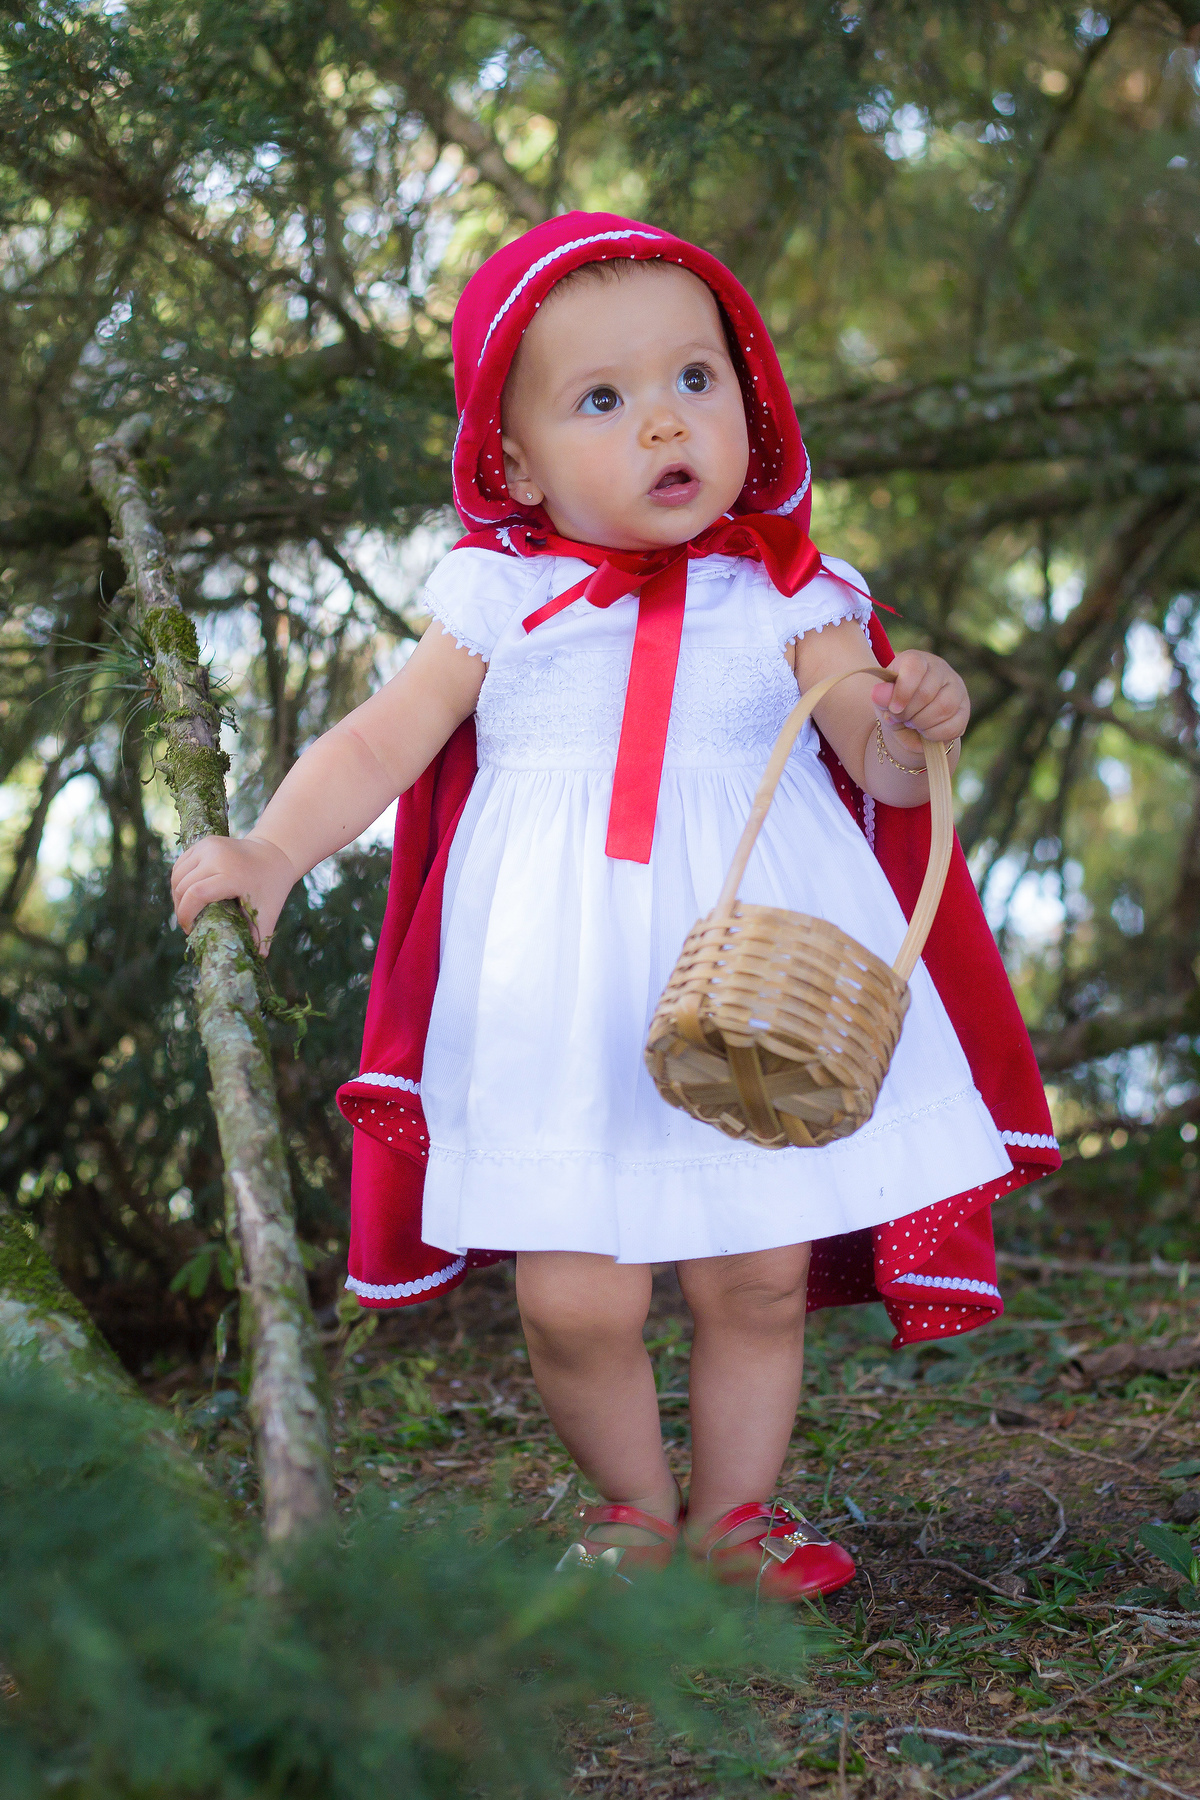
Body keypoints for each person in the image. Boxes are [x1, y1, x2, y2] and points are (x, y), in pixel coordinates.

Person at [172, 213, 1058, 1599]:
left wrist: (914, 712)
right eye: (605, 399)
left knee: (754, 1275)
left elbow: (880, 767)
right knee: (573, 1295)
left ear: (747, 401)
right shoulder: (497, 597)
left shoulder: (793, 592)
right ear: (512, 459)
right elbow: (375, 746)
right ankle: (634, 1510)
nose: (666, 423)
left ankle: (737, 1516)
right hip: (555, 991)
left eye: (695, 381)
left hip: (753, 989)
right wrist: (277, 851)